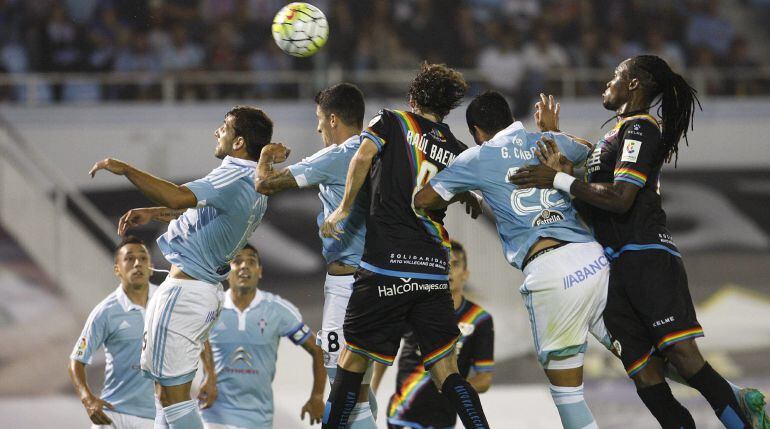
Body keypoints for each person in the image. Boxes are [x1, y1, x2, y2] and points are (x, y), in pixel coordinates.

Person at [509, 55, 768, 429]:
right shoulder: (612, 137)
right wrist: (559, 152)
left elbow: (621, 198)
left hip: (645, 256)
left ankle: (744, 416)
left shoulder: (643, 129)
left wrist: (559, 180)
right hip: (611, 268)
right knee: (644, 373)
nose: (607, 82)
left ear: (634, 83)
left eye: (616, 75)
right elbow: (594, 203)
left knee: (683, 356)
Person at [414, 90, 610, 429]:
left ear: (477, 130)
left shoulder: (477, 158)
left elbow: (423, 199)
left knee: (568, 395)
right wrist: (556, 132)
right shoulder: (546, 140)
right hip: (593, 260)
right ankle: (726, 397)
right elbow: (594, 154)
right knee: (644, 359)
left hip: (549, 273)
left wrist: (464, 188)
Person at [319, 63, 489, 429]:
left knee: (352, 361)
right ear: (446, 108)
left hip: (386, 265)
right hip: (432, 271)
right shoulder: (455, 148)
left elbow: (362, 157)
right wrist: (471, 197)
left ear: (413, 98)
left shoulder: (392, 121)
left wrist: (343, 209)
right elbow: (468, 188)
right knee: (447, 370)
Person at [89, 105, 275, 429]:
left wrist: (125, 169)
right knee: (168, 395)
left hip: (185, 293)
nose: (217, 132)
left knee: (171, 397)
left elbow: (178, 197)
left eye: (224, 127)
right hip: (203, 292)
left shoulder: (233, 172)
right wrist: (154, 212)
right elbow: (200, 211)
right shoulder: (255, 184)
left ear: (239, 142)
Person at [254, 82, 378, 428]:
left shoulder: (337, 155)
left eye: (320, 120)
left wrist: (265, 156)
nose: (318, 128)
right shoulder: (380, 149)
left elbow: (265, 184)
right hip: (379, 279)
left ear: (334, 119)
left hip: (348, 285)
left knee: (343, 383)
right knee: (359, 384)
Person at [197, 244, 325, 429]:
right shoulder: (212, 307)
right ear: (226, 270)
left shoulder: (277, 310)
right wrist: (209, 374)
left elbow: (317, 349)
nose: (244, 266)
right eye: (237, 261)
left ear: (260, 271)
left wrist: (317, 395)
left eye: (251, 262)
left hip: (257, 418)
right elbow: (197, 339)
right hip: (214, 413)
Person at [372, 240, 494, 429]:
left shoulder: (480, 320)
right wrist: (371, 390)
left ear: (466, 274)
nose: (449, 270)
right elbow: (385, 349)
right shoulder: (414, 307)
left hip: (444, 420)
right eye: (444, 263)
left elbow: (485, 379)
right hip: (404, 413)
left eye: (455, 264)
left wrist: (454, 389)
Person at [68, 236, 157, 429]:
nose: (137, 264)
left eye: (143, 258)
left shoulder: (166, 302)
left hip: (154, 418)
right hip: (112, 415)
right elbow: (77, 360)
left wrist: (208, 375)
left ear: (151, 267)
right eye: (129, 258)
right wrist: (87, 399)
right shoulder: (105, 312)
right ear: (117, 269)